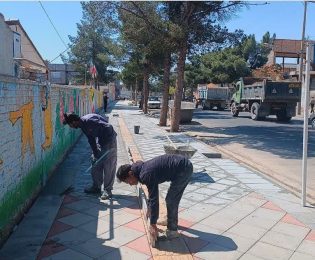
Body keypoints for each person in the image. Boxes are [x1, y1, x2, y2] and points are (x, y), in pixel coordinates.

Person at [116, 154, 193, 240]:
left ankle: (172, 231)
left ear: (130, 174)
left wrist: (153, 223)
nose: (130, 184)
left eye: (128, 182)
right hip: (179, 165)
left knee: (171, 200)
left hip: (184, 168)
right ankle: (169, 220)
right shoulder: (138, 169)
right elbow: (151, 194)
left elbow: (154, 199)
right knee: (170, 199)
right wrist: (149, 208)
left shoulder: (145, 175)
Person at [63, 113, 117, 200]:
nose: (71, 127)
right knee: (95, 163)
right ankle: (96, 187)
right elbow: (91, 139)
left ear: (73, 122)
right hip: (100, 141)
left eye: (70, 125)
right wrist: (95, 152)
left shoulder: (89, 121)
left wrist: (108, 145)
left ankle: (108, 190)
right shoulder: (82, 125)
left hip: (109, 141)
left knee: (109, 165)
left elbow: (108, 126)